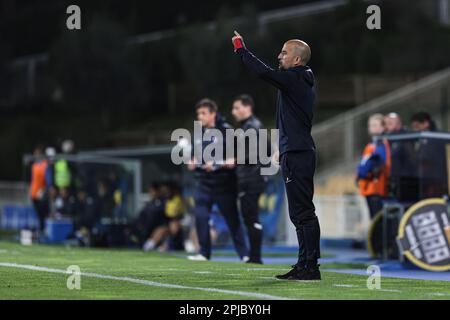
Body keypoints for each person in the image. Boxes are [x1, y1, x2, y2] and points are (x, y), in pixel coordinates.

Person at [232, 31, 321, 280]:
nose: (279, 56)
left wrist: (242, 50)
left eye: (284, 52)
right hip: (295, 152)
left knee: (303, 213)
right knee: (299, 213)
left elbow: (263, 72)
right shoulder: (297, 80)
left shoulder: (296, 78)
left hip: (299, 153)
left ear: (296, 60)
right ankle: (305, 264)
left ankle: (311, 266)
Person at [187, 98, 249, 261]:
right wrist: (193, 160)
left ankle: (244, 254)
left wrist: (222, 163)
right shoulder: (198, 133)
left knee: (232, 219)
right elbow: (194, 154)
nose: (200, 117)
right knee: (201, 217)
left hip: (224, 183)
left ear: (213, 114)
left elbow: (239, 155)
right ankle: (204, 253)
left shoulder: (227, 131)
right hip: (203, 183)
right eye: (198, 113)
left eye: (203, 113)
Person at [231, 94, 267, 264]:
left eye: (237, 108)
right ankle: (254, 256)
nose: (234, 112)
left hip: (251, 179)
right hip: (251, 178)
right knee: (249, 217)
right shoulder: (248, 126)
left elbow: (253, 154)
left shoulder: (252, 126)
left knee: (251, 217)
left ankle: (255, 257)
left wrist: (233, 160)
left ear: (248, 108)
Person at [357, 114, 391, 219]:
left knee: (378, 220)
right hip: (368, 188)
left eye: (375, 125)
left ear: (383, 127)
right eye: (371, 125)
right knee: (373, 219)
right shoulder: (370, 144)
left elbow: (384, 163)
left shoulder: (383, 144)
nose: (372, 128)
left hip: (377, 188)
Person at [30, 145, 49, 232]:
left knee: (43, 213)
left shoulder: (45, 164)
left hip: (42, 193)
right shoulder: (34, 165)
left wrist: (45, 190)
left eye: (38, 153)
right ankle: (41, 229)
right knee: (38, 214)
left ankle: (44, 229)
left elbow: (47, 179)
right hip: (34, 193)